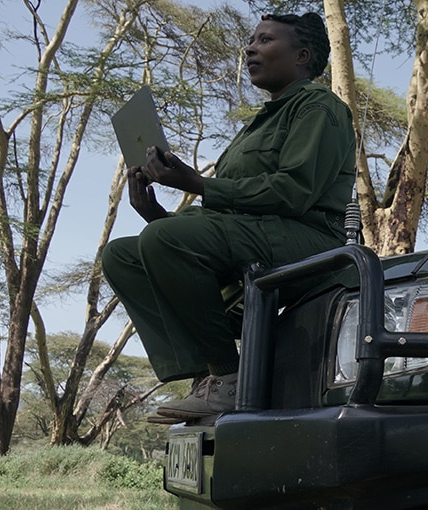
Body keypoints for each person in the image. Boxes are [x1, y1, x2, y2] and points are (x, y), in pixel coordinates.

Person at [102, 12, 355, 425]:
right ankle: (206, 377)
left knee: (167, 238)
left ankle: (229, 377)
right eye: (251, 40)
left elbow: (293, 192)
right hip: (256, 238)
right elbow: (220, 222)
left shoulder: (320, 108)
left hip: (307, 240)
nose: (250, 47)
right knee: (121, 255)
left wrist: (198, 185)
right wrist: (157, 215)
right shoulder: (254, 126)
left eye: (265, 40)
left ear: (302, 56)